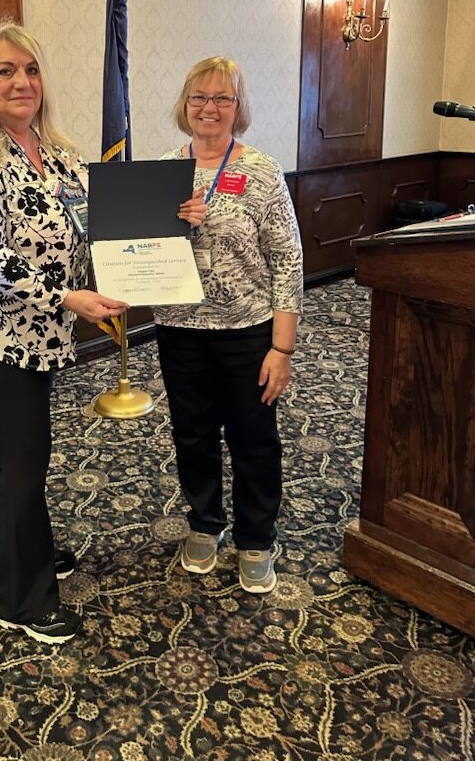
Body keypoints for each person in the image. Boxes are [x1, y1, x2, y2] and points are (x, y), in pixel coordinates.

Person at [0, 20, 127, 644]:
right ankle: (19, 598)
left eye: (31, 69)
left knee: (21, 453)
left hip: (37, 331)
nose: (22, 82)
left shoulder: (56, 150)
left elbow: (99, 222)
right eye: (6, 71)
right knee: (19, 458)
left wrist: (170, 219)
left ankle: (10, 550)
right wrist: (67, 296)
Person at [154, 56, 303, 593]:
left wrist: (281, 350)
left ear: (238, 108)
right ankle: (204, 523)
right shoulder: (163, 171)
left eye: (222, 98)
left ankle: (256, 538)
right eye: (199, 97)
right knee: (192, 434)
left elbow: (288, 260)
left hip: (248, 333)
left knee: (253, 437)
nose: (209, 108)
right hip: (179, 331)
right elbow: (141, 247)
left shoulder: (261, 171)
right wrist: (166, 226)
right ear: (185, 105)